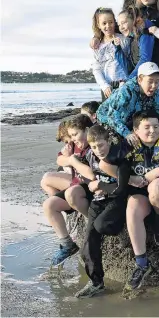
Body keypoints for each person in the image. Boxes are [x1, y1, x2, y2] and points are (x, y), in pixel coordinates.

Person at [99, 110, 159, 293]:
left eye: (156, 126)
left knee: (157, 187)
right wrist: (130, 179)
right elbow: (104, 164)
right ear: (135, 130)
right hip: (139, 191)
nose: (152, 131)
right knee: (132, 207)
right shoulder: (129, 144)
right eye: (147, 127)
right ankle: (141, 263)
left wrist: (158, 172)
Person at [74, 125, 130, 298]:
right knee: (87, 244)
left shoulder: (120, 157)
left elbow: (122, 188)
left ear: (108, 141)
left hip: (117, 200)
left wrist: (100, 185)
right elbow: (84, 174)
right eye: (94, 146)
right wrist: (90, 182)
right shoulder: (90, 156)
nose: (98, 150)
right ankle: (96, 283)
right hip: (98, 202)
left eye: (101, 145)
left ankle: (121, 231)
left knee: (101, 226)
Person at [43, 115, 96, 268]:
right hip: (76, 184)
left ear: (87, 131)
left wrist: (73, 161)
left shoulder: (95, 144)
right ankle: (67, 244)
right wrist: (70, 159)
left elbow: (91, 174)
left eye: (75, 134)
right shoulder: (73, 145)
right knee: (49, 205)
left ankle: (92, 222)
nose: (72, 139)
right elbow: (59, 159)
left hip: (92, 187)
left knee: (71, 193)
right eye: (71, 135)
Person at [96, 62, 159, 146]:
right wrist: (127, 134)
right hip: (108, 121)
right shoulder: (126, 91)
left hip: (130, 120)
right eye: (150, 81)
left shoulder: (155, 95)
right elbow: (112, 116)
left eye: (157, 82)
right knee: (121, 145)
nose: (154, 86)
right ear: (140, 80)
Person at [90, 8, 130, 101]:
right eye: (104, 23)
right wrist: (104, 86)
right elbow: (96, 69)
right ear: (98, 25)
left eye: (111, 22)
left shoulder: (123, 39)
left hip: (124, 84)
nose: (108, 26)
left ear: (114, 22)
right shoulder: (97, 46)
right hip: (108, 87)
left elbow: (129, 60)